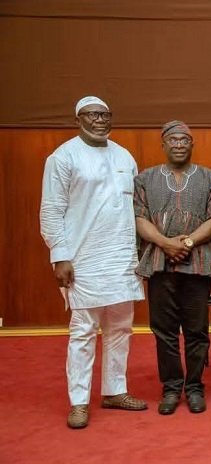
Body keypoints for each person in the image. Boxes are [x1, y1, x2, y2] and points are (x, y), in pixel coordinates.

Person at [40, 96, 147, 429]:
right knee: (83, 331)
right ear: (78, 120)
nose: (100, 120)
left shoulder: (124, 156)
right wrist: (60, 255)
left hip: (122, 258)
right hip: (83, 260)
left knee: (121, 328)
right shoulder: (62, 157)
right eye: (93, 115)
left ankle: (115, 391)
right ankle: (79, 400)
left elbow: (134, 208)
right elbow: (51, 210)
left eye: (105, 115)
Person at [133, 120, 211, 415]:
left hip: (197, 265)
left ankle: (196, 387)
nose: (179, 144)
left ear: (192, 144)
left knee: (197, 330)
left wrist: (186, 242)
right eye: (173, 139)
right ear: (163, 144)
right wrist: (164, 242)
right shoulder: (144, 179)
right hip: (159, 264)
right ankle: (172, 387)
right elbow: (139, 218)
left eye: (185, 140)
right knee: (164, 331)